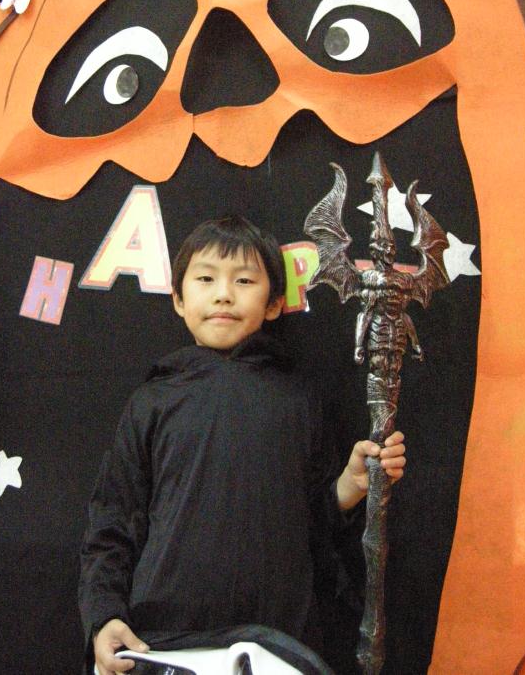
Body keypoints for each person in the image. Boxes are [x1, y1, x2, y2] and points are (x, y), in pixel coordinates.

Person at [79, 216, 406, 675]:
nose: (223, 294)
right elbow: (112, 521)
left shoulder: (299, 398)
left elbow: (316, 529)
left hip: (278, 640)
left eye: (244, 281)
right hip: (163, 641)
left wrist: (350, 486)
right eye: (205, 279)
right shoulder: (152, 400)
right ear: (178, 299)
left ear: (273, 303)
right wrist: (103, 615)